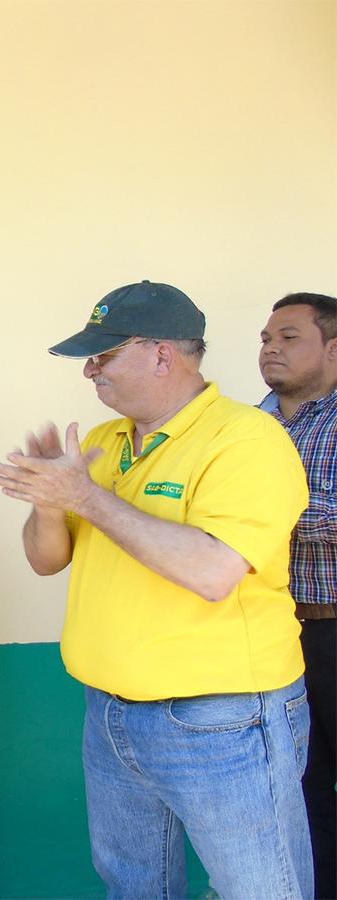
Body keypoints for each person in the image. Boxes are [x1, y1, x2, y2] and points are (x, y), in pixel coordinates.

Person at [0, 281, 313, 898]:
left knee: (261, 888)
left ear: (162, 354)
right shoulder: (104, 444)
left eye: (103, 354)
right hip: (109, 713)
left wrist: (82, 495)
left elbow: (215, 571)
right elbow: (45, 561)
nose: (89, 370)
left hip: (221, 720)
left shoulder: (246, 440)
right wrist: (50, 504)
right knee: (134, 886)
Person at [259, 291, 337, 900]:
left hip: (336, 627)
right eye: (266, 338)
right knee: (296, 782)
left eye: (289, 338)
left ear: (334, 349)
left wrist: (252, 519)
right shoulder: (250, 424)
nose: (269, 348)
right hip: (273, 631)